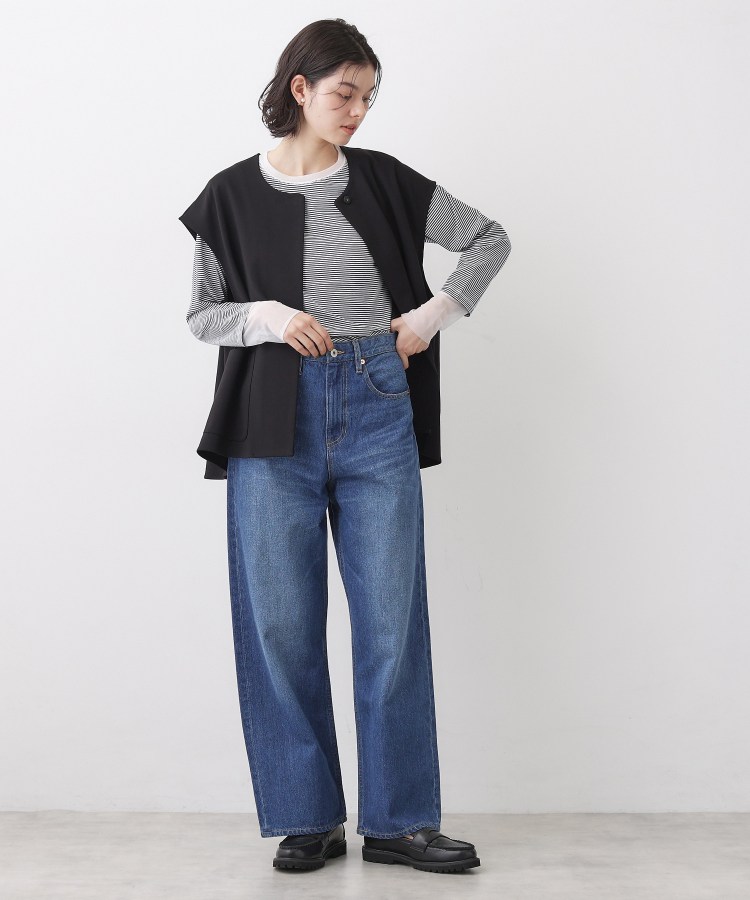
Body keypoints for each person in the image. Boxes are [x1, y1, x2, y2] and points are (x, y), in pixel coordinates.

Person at [180, 18, 511, 874]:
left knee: (391, 623)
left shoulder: (389, 180)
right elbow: (204, 316)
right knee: (280, 625)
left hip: (375, 400)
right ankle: (306, 816)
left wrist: (431, 317)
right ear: (301, 89)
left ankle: (400, 821)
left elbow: (489, 239)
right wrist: (267, 316)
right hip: (270, 420)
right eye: (345, 93)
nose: (359, 110)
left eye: (369, 97)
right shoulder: (228, 195)